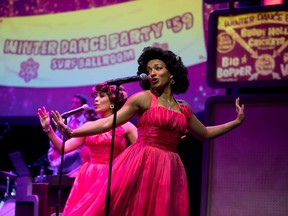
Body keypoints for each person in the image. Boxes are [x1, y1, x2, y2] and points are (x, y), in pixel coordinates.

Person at [50, 46, 245, 216]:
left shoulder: (183, 108)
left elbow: (205, 133)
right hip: (141, 163)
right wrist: (71, 131)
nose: (151, 73)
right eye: (149, 69)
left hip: (170, 166)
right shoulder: (142, 99)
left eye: (158, 68)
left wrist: (235, 122)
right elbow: (107, 123)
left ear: (172, 74)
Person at [38, 83, 137, 214]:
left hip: (113, 177)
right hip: (89, 177)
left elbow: (141, 150)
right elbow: (63, 148)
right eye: (95, 96)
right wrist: (48, 129)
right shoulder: (89, 125)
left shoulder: (127, 126)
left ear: (113, 101)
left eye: (101, 96)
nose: (95, 100)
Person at [47, 94, 88, 177]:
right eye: (72, 102)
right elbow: (56, 137)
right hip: (61, 162)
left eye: (77, 103)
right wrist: (54, 149)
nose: (74, 105)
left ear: (83, 106)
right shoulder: (66, 120)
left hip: (77, 162)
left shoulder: (86, 122)